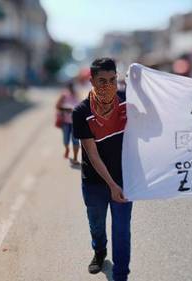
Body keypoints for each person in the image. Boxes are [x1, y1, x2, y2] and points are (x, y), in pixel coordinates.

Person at [72, 58, 131, 281]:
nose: (108, 85)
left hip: (125, 180)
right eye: (102, 81)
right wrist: (112, 185)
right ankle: (99, 251)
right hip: (95, 182)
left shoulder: (127, 103)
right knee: (96, 224)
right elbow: (92, 155)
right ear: (92, 81)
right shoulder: (81, 112)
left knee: (122, 231)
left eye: (113, 80)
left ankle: (121, 276)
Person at [56, 82, 80, 165]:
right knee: (66, 140)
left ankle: (75, 158)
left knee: (75, 140)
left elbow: (81, 105)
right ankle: (67, 148)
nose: (72, 89)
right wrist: (66, 109)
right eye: (70, 87)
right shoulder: (64, 95)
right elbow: (57, 106)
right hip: (66, 122)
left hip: (75, 122)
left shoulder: (77, 94)